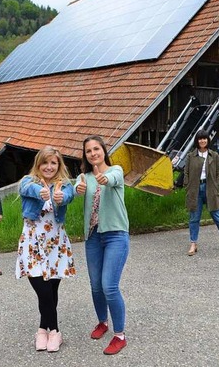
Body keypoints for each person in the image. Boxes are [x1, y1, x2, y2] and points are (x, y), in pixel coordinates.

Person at [16, 146, 76, 353]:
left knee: (51, 290)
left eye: (53, 163)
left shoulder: (65, 185)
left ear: (59, 165)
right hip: (33, 244)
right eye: (45, 162)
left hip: (56, 245)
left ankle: (43, 330)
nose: (49, 167)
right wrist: (42, 192)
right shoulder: (28, 181)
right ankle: (56, 330)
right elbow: (27, 190)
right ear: (38, 164)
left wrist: (60, 197)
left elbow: (69, 195)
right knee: (42, 290)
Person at [74, 135, 129, 355]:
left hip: (116, 235)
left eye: (96, 149)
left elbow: (113, 179)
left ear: (103, 151)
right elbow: (77, 186)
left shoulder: (116, 170)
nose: (93, 153)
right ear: (85, 155)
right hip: (93, 237)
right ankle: (102, 322)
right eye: (88, 151)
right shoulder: (84, 177)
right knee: (96, 285)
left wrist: (104, 179)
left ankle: (120, 335)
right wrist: (77, 188)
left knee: (109, 286)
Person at [184, 130, 219, 256]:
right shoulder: (191, 156)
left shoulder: (214, 155)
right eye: (200, 139)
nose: (202, 141)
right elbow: (185, 172)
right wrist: (187, 185)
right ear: (197, 141)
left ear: (208, 140)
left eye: (204, 138)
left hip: (211, 189)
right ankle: (193, 243)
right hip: (195, 190)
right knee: (194, 219)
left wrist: (216, 185)